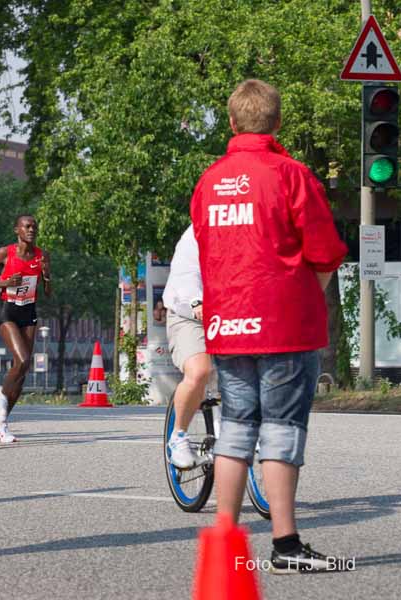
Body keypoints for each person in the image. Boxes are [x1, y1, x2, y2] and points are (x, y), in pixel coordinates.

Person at [190, 79, 348, 573]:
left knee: (236, 429)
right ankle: (285, 546)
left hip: (230, 324)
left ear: (233, 123)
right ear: (277, 122)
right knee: (282, 431)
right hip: (283, 326)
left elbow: (205, 246)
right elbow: (325, 252)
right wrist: (304, 295)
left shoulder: (209, 180)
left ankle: (225, 544)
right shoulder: (292, 174)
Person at [0, 214, 51, 443]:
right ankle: (0, 393)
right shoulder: (5, 253)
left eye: (34, 227)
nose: (31, 230)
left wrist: (47, 275)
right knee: (21, 359)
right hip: (8, 311)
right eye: (27, 226)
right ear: (17, 230)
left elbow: (48, 293)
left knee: (22, 371)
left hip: (29, 311)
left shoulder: (42, 255)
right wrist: (5, 283)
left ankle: (1, 424)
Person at [162, 224, 212, 469]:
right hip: (190, 315)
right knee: (200, 371)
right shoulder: (198, 231)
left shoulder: (250, 224)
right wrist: (197, 301)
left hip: (235, 317)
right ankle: (179, 436)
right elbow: (186, 273)